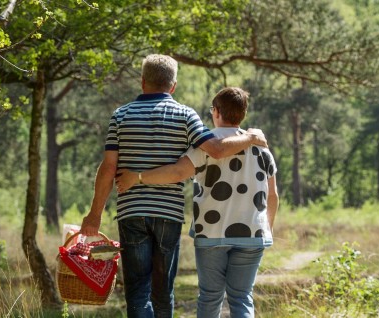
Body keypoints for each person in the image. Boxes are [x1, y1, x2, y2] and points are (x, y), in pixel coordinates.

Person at [79, 55, 266, 318]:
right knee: (162, 292)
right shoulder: (186, 114)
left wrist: (95, 214)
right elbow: (216, 150)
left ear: (143, 82)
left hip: (131, 210)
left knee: (138, 291)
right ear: (173, 85)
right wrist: (250, 136)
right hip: (169, 213)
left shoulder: (120, 115)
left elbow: (108, 167)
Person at [117, 87, 279, 318]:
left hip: (211, 233)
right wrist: (267, 230)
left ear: (216, 112)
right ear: (242, 114)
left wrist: (139, 176)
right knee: (242, 297)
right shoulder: (262, 149)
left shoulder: (205, 145)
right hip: (253, 233)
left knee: (210, 296)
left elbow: (175, 173)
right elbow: (272, 195)